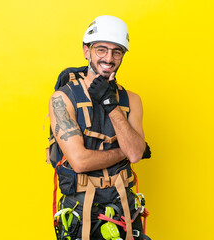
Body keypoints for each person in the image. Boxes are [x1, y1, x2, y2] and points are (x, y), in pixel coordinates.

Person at [48, 15, 151, 240]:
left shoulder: (132, 100)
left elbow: (135, 153)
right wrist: (126, 149)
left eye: (117, 51)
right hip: (81, 210)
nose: (109, 58)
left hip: (123, 207)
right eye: (101, 49)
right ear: (87, 51)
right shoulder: (63, 99)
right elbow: (80, 161)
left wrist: (110, 104)